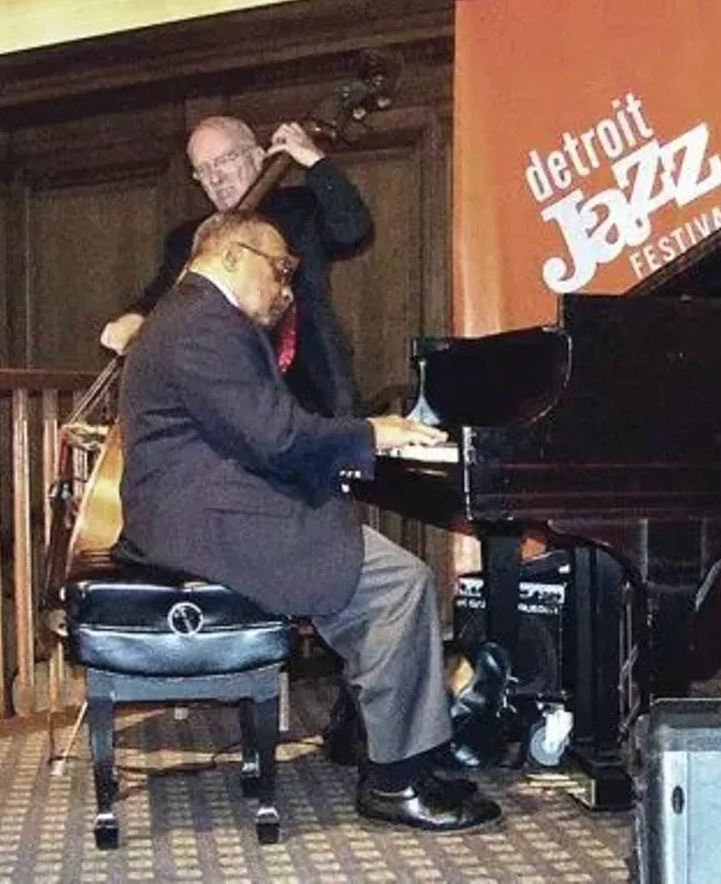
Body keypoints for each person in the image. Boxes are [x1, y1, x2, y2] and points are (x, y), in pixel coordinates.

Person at [115, 211, 501, 832]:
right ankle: (395, 782)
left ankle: (378, 739)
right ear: (235, 255)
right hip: (204, 518)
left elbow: (260, 433)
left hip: (203, 507)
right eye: (280, 269)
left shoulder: (192, 316)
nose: (287, 288)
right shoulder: (202, 326)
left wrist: (344, 455)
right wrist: (371, 434)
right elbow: (275, 436)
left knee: (360, 553)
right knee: (398, 583)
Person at [100, 115, 370, 419]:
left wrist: (315, 161)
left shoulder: (302, 209)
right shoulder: (189, 238)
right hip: (226, 405)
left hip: (310, 394)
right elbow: (165, 295)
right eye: (203, 169)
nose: (215, 178)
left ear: (257, 156)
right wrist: (135, 317)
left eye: (225, 160)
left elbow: (354, 230)